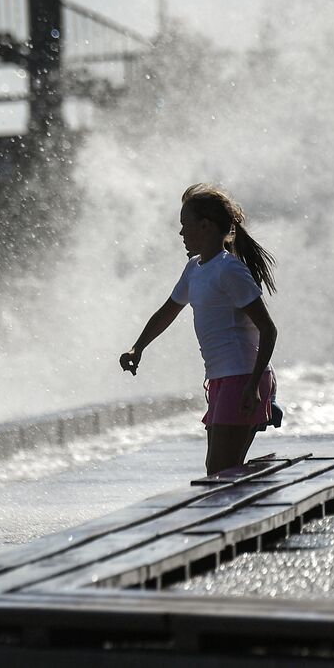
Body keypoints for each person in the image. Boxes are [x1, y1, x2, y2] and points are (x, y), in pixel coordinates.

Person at [118, 183, 279, 475]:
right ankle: (263, 485)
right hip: (221, 380)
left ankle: (268, 486)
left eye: (184, 225)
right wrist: (137, 347)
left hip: (242, 378)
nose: (180, 233)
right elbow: (168, 311)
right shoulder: (195, 268)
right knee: (221, 471)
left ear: (204, 226)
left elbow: (268, 330)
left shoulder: (230, 270)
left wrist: (254, 385)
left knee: (219, 471)